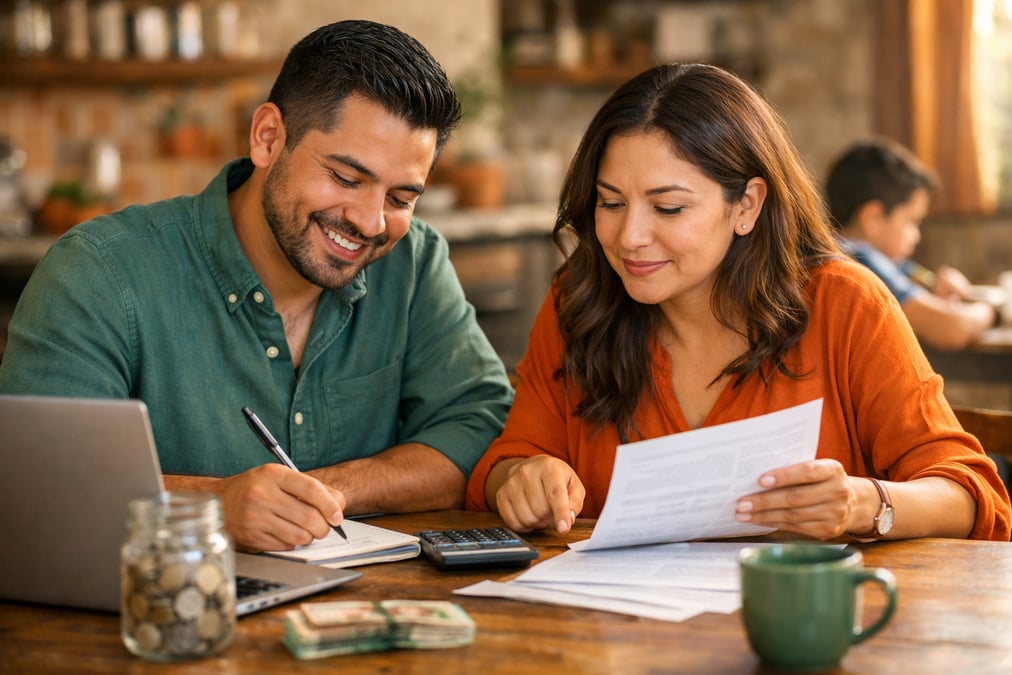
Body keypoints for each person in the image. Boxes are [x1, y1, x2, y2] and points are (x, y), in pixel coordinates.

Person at [0, 20, 514, 552]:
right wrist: (213, 507)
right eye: (345, 178)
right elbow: (34, 482)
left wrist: (321, 493)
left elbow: (477, 433)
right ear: (268, 137)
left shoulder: (414, 262)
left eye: (401, 198)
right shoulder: (98, 271)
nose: (370, 222)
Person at [464, 63, 1011, 542]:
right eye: (611, 202)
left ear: (746, 204)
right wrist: (521, 476)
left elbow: (971, 493)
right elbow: (506, 461)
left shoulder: (845, 303)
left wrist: (864, 503)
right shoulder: (578, 303)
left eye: (669, 208)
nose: (629, 236)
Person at [825, 137, 997, 350]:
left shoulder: (854, 254)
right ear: (873, 218)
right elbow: (951, 329)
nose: (916, 236)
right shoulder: (858, 259)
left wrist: (933, 283)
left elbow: (914, 276)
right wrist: (991, 310)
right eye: (912, 222)